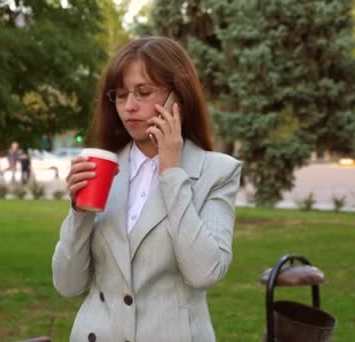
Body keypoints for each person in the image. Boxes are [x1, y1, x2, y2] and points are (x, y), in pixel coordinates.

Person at [52, 36, 242, 342]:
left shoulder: (217, 171)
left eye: (143, 92)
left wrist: (172, 173)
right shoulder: (104, 169)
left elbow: (204, 272)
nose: (129, 106)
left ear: (176, 99)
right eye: (121, 94)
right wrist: (78, 214)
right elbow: (67, 284)